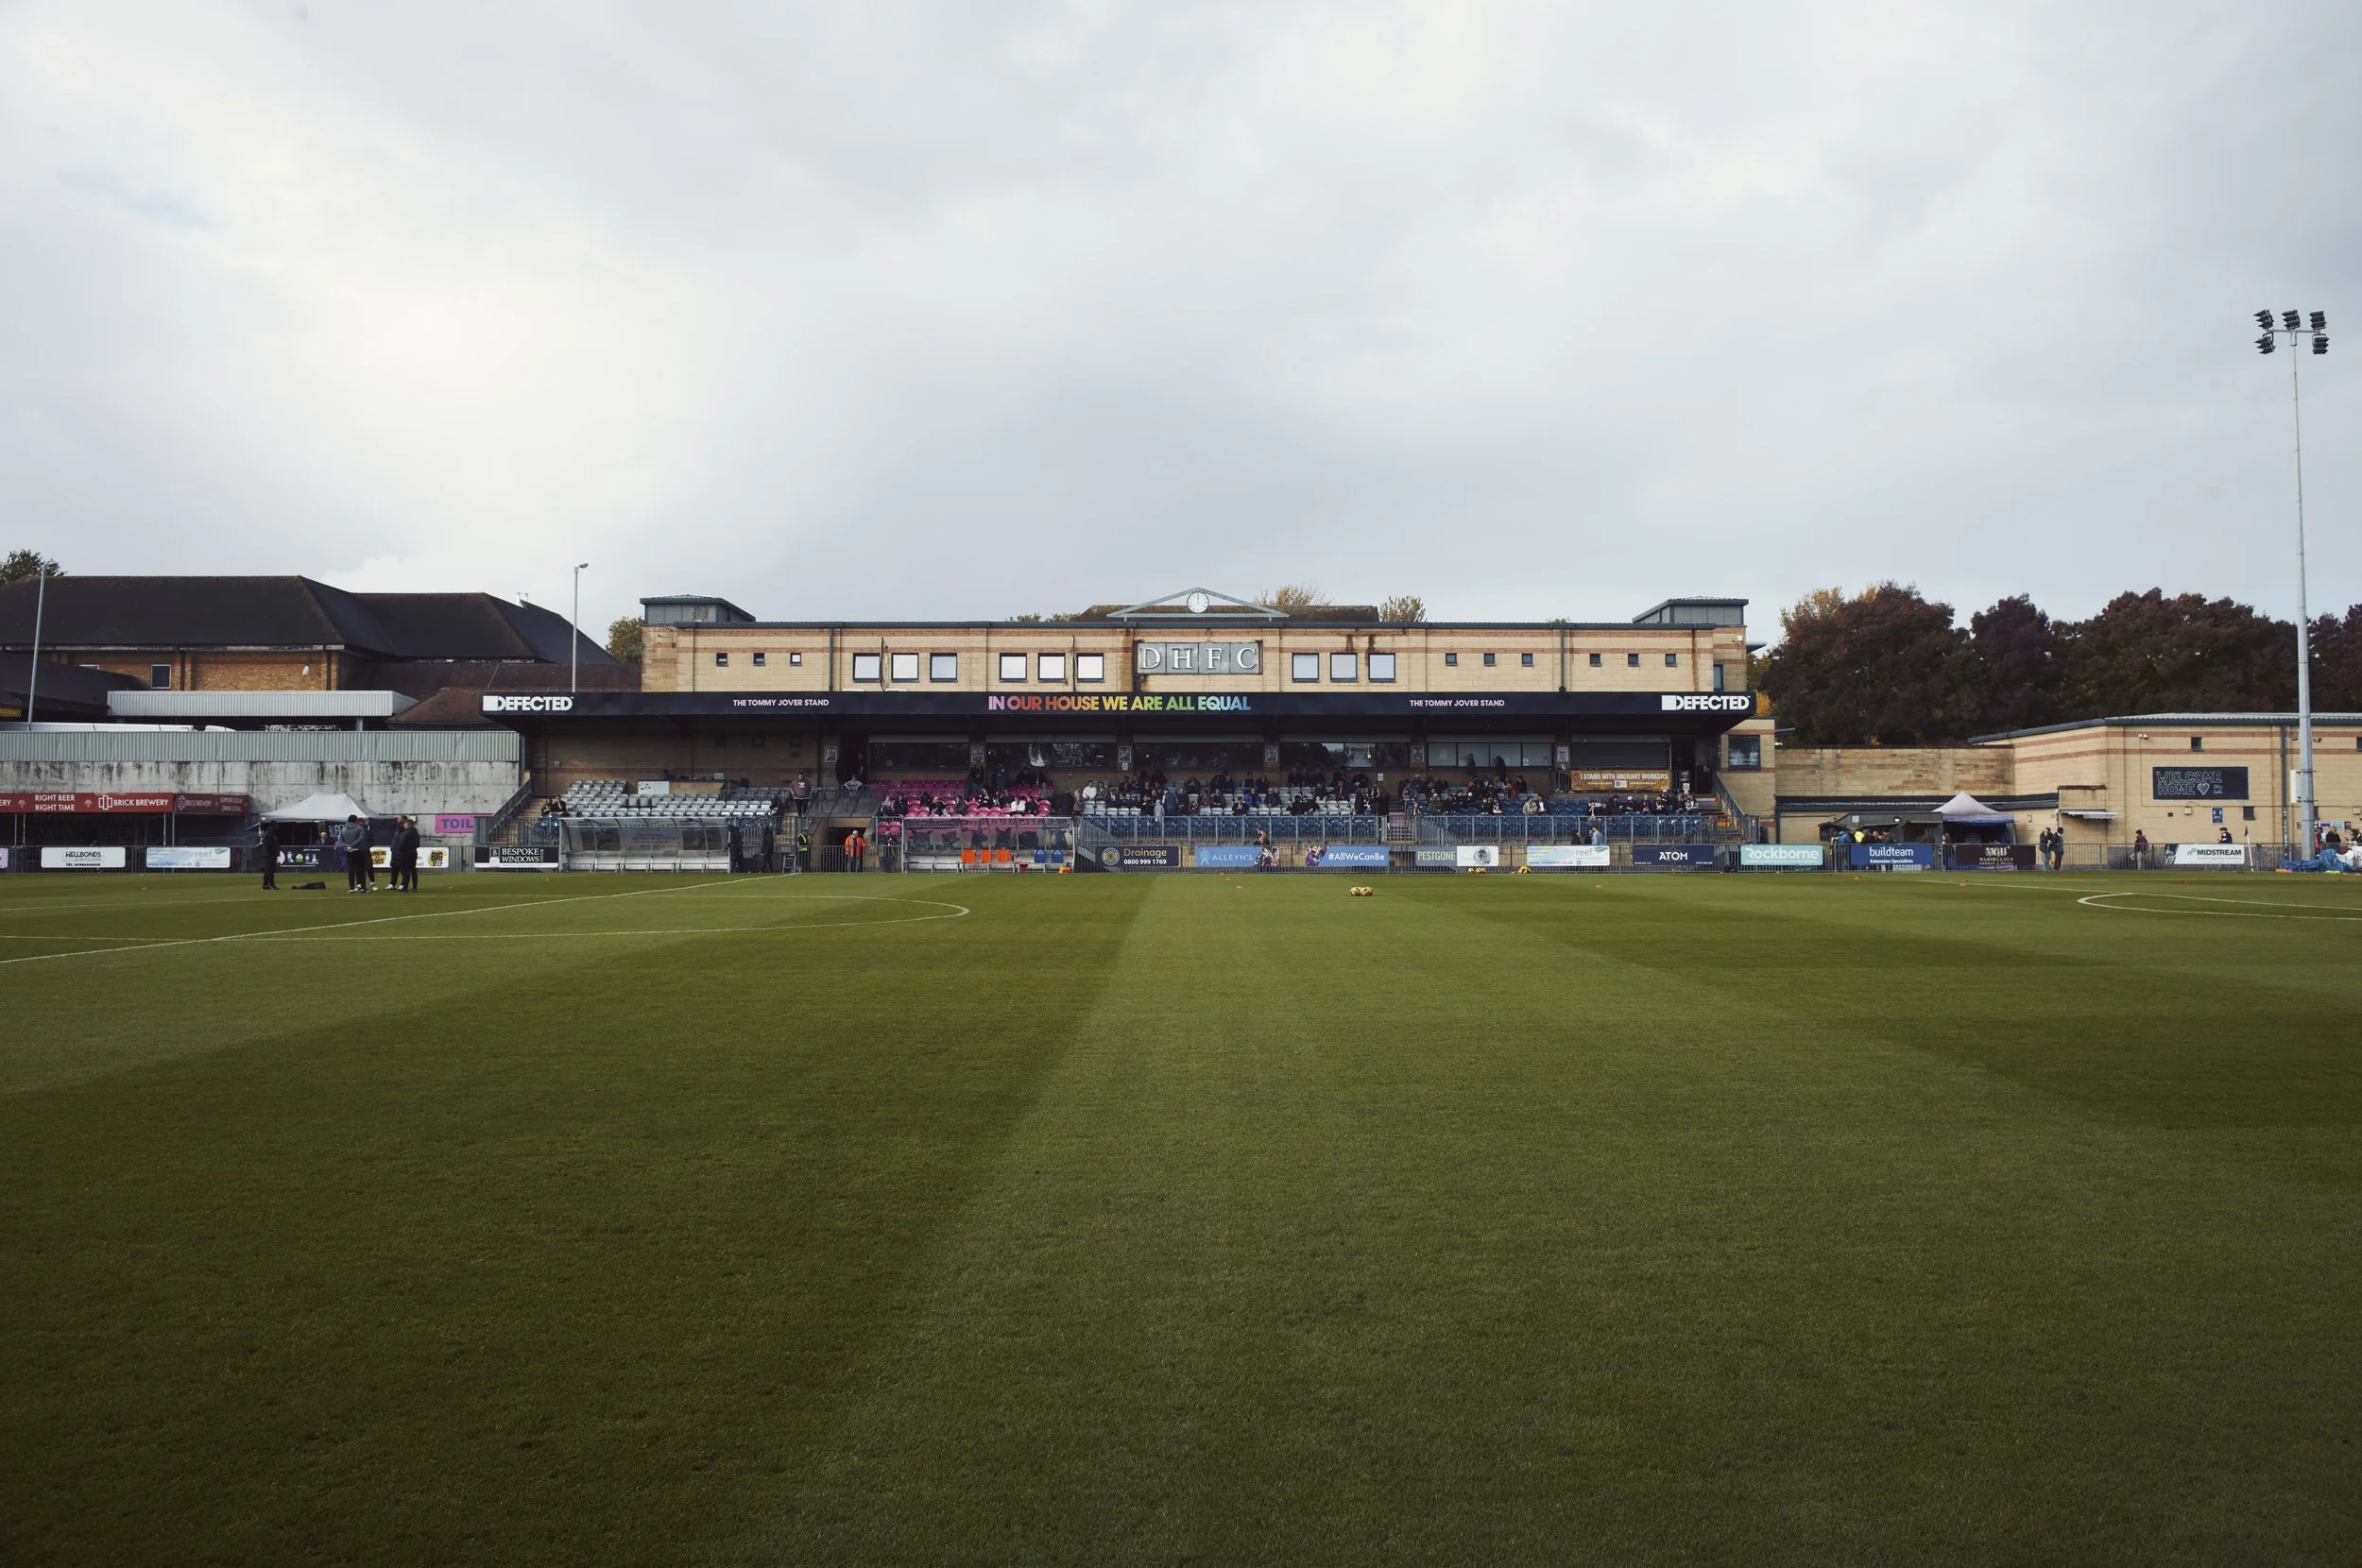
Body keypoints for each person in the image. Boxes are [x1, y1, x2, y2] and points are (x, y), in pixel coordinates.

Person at [340, 814, 373, 893]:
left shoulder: (343, 829)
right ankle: (363, 888)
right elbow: (361, 838)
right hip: (358, 850)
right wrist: (352, 845)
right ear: (356, 820)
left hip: (349, 851)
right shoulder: (359, 828)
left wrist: (348, 846)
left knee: (351, 870)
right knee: (361, 870)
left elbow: (340, 841)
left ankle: (351, 888)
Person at [390, 816, 421, 892]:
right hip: (413, 852)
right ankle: (414, 886)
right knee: (413, 869)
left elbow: (401, 844)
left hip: (405, 853)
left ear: (407, 825)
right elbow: (418, 844)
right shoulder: (416, 833)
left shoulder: (405, 833)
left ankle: (405, 886)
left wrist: (401, 850)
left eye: (405, 824)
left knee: (405, 870)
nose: (404, 825)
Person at [257, 819, 282, 890]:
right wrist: (273, 853)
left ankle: (266, 884)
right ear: (273, 826)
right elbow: (268, 844)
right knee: (270, 870)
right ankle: (271, 884)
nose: (277, 827)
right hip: (270, 854)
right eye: (276, 825)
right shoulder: (269, 834)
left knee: (269, 870)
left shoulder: (271, 833)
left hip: (270, 854)